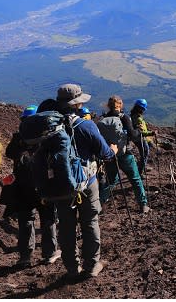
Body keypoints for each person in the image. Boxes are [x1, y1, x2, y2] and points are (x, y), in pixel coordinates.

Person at [53, 84, 116, 280]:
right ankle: (92, 265)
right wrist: (114, 149)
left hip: (60, 184)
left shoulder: (51, 127)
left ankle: (72, 268)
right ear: (78, 104)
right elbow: (105, 153)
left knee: (66, 226)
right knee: (90, 221)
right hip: (86, 182)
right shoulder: (86, 126)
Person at [4, 105, 60, 268]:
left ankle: (25, 256)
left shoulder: (19, 138)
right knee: (48, 219)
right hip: (44, 186)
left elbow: (9, 154)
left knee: (26, 221)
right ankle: (49, 253)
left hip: (23, 188)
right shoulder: (47, 137)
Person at [97, 96, 149, 214]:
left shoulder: (102, 119)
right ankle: (143, 204)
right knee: (135, 179)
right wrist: (139, 131)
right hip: (125, 154)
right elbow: (133, 135)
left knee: (111, 181)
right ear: (120, 105)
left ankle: (98, 204)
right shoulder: (124, 118)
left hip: (109, 155)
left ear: (108, 106)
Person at [130, 98, 154, 174]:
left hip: (136, 138)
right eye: (143, 109)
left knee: (144, 153)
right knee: (145, 153)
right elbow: (141, 132)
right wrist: (151, 133)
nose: (143, 110)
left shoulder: (133, 115)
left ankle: (142, 166)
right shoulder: (138, 118)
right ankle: (140, 171)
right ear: (141, 108)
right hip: (139, 139)